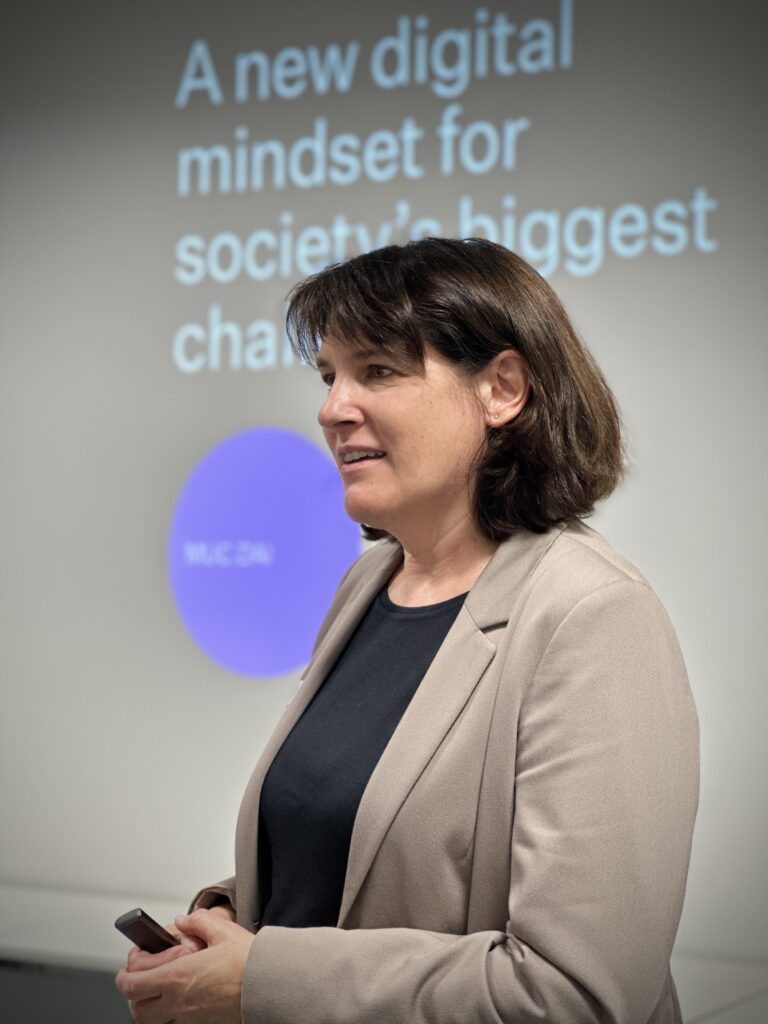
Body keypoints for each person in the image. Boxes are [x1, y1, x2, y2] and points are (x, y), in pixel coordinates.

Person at [116, 238, 699, 1024]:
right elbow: (355, 871)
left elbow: (577, 995)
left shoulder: (592, 614)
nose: (333, 408)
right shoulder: (367, 585)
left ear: (502, 389)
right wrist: (223, 926)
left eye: (379, 370)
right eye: (330, 376)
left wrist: (264, 979)